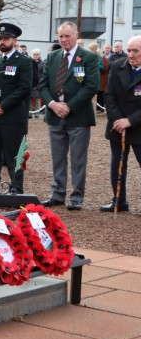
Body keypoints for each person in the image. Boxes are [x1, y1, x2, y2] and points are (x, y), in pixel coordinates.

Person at [39, 22, 100, 210]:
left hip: (78, 116)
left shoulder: (89, 57)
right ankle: (57, 194)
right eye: (61, 36)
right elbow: (42, 85)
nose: (64, 40)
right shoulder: (52, 57)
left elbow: (91, 86)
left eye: (67, 36)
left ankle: (77, 197)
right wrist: (53, 104)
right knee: (58, 158)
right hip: (55, 115)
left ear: (76, 35)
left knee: (78, 159)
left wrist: (69, 107)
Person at [0, 23, 33, 194]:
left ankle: (16, 187)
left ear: (14, 40)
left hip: (13, 116)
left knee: (14, 155)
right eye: (0, 39)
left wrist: (3, 105)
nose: (2, 42)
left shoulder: (24, 62)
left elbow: (24, 88)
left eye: (6, 39)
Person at [100, 35, 141, 213]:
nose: (130, 54)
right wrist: (118, 119)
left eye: (135, 51)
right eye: (129, 50)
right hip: (117, 126)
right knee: (117, 164)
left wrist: (130, 121)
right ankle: (119, 200)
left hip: (139, 126)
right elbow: (109, 95)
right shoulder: (118, 66)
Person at [30, 49, 45, 117]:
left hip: (39, 83)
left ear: (40, 55)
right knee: (29, 99)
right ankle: (29, 114)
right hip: (30, 83)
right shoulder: (29, 62)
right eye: (34, 54)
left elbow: (44, 74)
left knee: (37, 100)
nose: (35, 56)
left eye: (37, 54)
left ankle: (37, 114)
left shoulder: (42, 63)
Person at [97, 43, 110, 113]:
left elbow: (104, 69)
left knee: (101, 96)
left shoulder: (104, 60)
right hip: (98, 81)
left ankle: (101, 109)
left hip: (102, 80)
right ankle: (98, 108)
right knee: (98, 95)